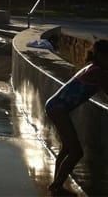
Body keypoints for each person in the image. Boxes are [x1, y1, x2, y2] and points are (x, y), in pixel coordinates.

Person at [45, 39, 108, 195]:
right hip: (58, 109)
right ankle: (56, 186)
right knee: (76, 152)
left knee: (67, 148)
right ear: (100, 55)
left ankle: (56, 183)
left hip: (55, 106)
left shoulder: (92, 68)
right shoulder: (98, 72)